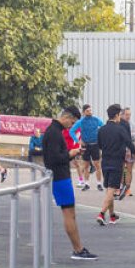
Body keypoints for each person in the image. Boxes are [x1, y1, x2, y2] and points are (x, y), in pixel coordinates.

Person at [42, 106, 96, 260]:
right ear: (66, 117)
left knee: (71, 214)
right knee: (69, 214)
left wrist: (72, 154)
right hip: (60, 178)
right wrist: (70, 154)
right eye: (71, 122)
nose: (71, 126)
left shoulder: (54, 131)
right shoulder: (53, 133)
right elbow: (54, 159)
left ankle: (78, 248)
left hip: (61, 177)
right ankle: (78, 250)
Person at [96, 104, 132, 226]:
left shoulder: (101, 129)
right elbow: (129, 142)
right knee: (112, 189)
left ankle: (112, 216)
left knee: (109, 190)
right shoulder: (120, 129)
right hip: (116, 162)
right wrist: (134, 153)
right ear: (117, 115)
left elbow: (99, 145)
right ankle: (101, 213)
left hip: (105, 162)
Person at [71, 104, 104, 191]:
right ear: (84, 112)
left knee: (97, 165)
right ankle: (87, 184)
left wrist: (100, 138)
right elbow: (72, 131)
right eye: (88, 111)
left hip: (95, 145)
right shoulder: (80, 122)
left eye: (90, 110)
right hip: (85, 146)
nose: (90, 112)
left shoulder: (96, 120)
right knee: (86, 166)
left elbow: (104, 128)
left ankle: (99, 184)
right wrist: (78, 141)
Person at [118, 107, 135, 200]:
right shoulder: (118, 123)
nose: (128, 116)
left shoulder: (132, 124)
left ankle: (128, 189)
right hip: (121, 149)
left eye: (129, 114)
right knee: (121, 169)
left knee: (129, 170)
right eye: (126, 114)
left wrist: (128, 135)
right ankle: (121, 187)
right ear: (121, 114)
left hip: (130, 149)